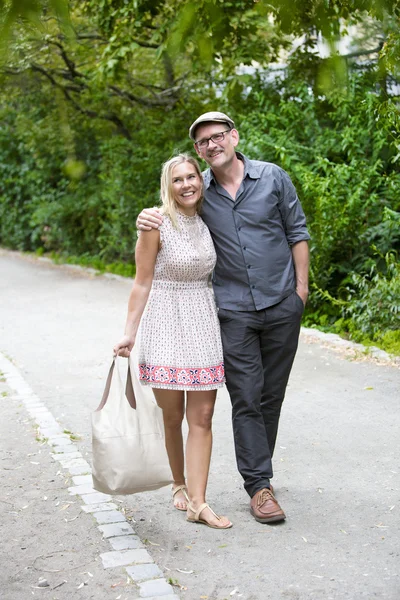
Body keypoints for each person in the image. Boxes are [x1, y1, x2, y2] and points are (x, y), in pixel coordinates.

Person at [136, 112, 310, 524]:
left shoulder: (272, 178)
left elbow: (297, 232)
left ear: (234, 137)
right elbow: (170, 214)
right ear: (198, 151)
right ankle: (259, 486)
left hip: (283, 303)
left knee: (272, 395)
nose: (211, 145)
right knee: (246, 395)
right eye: (203, 142)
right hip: (232, 312)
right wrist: (147, 217)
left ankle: (259, 468)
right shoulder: (200, 193)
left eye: (217, 137)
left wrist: (300, 292)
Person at [114, 153, 232, 530]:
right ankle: (178, 484)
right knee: (173, 415)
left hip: (201, 318)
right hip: (164, 321)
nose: (186, 184)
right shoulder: (155, 223)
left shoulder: (208, 218)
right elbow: (142, 280)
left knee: (203, 416)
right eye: (178, 179)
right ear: (169, 185)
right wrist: (128, 333)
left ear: (201, 179)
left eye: (191, 177)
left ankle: (198, 501)